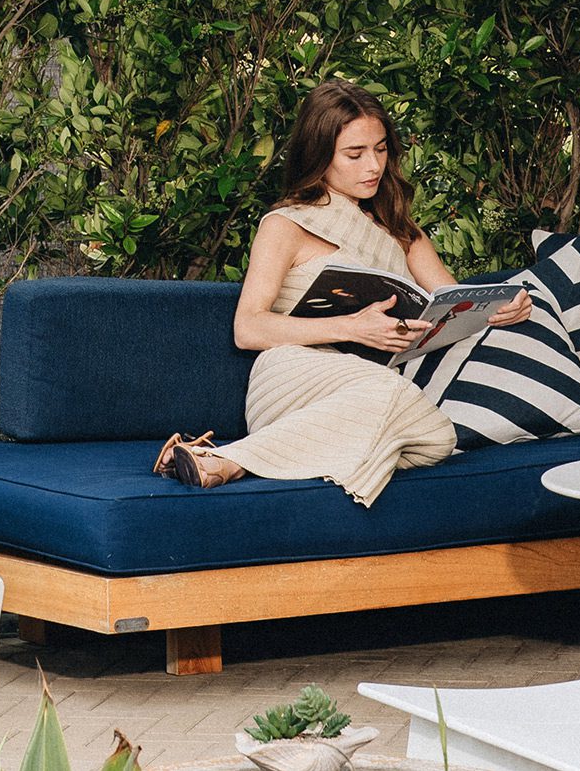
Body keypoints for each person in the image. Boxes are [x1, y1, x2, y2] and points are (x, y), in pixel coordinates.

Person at [154, 79, 532, 500]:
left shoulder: (402, 231)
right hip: (292, 374)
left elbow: (453, 299)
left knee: (436, 436)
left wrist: (502, 309)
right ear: (319, 157)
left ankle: (224, 461)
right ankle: (229, 460)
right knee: (397, 397)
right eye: (355, 154)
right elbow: (249, 328)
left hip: (366, 386)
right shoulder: (286, 226)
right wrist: (352, 327)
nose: (373, 166)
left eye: (382, 149)